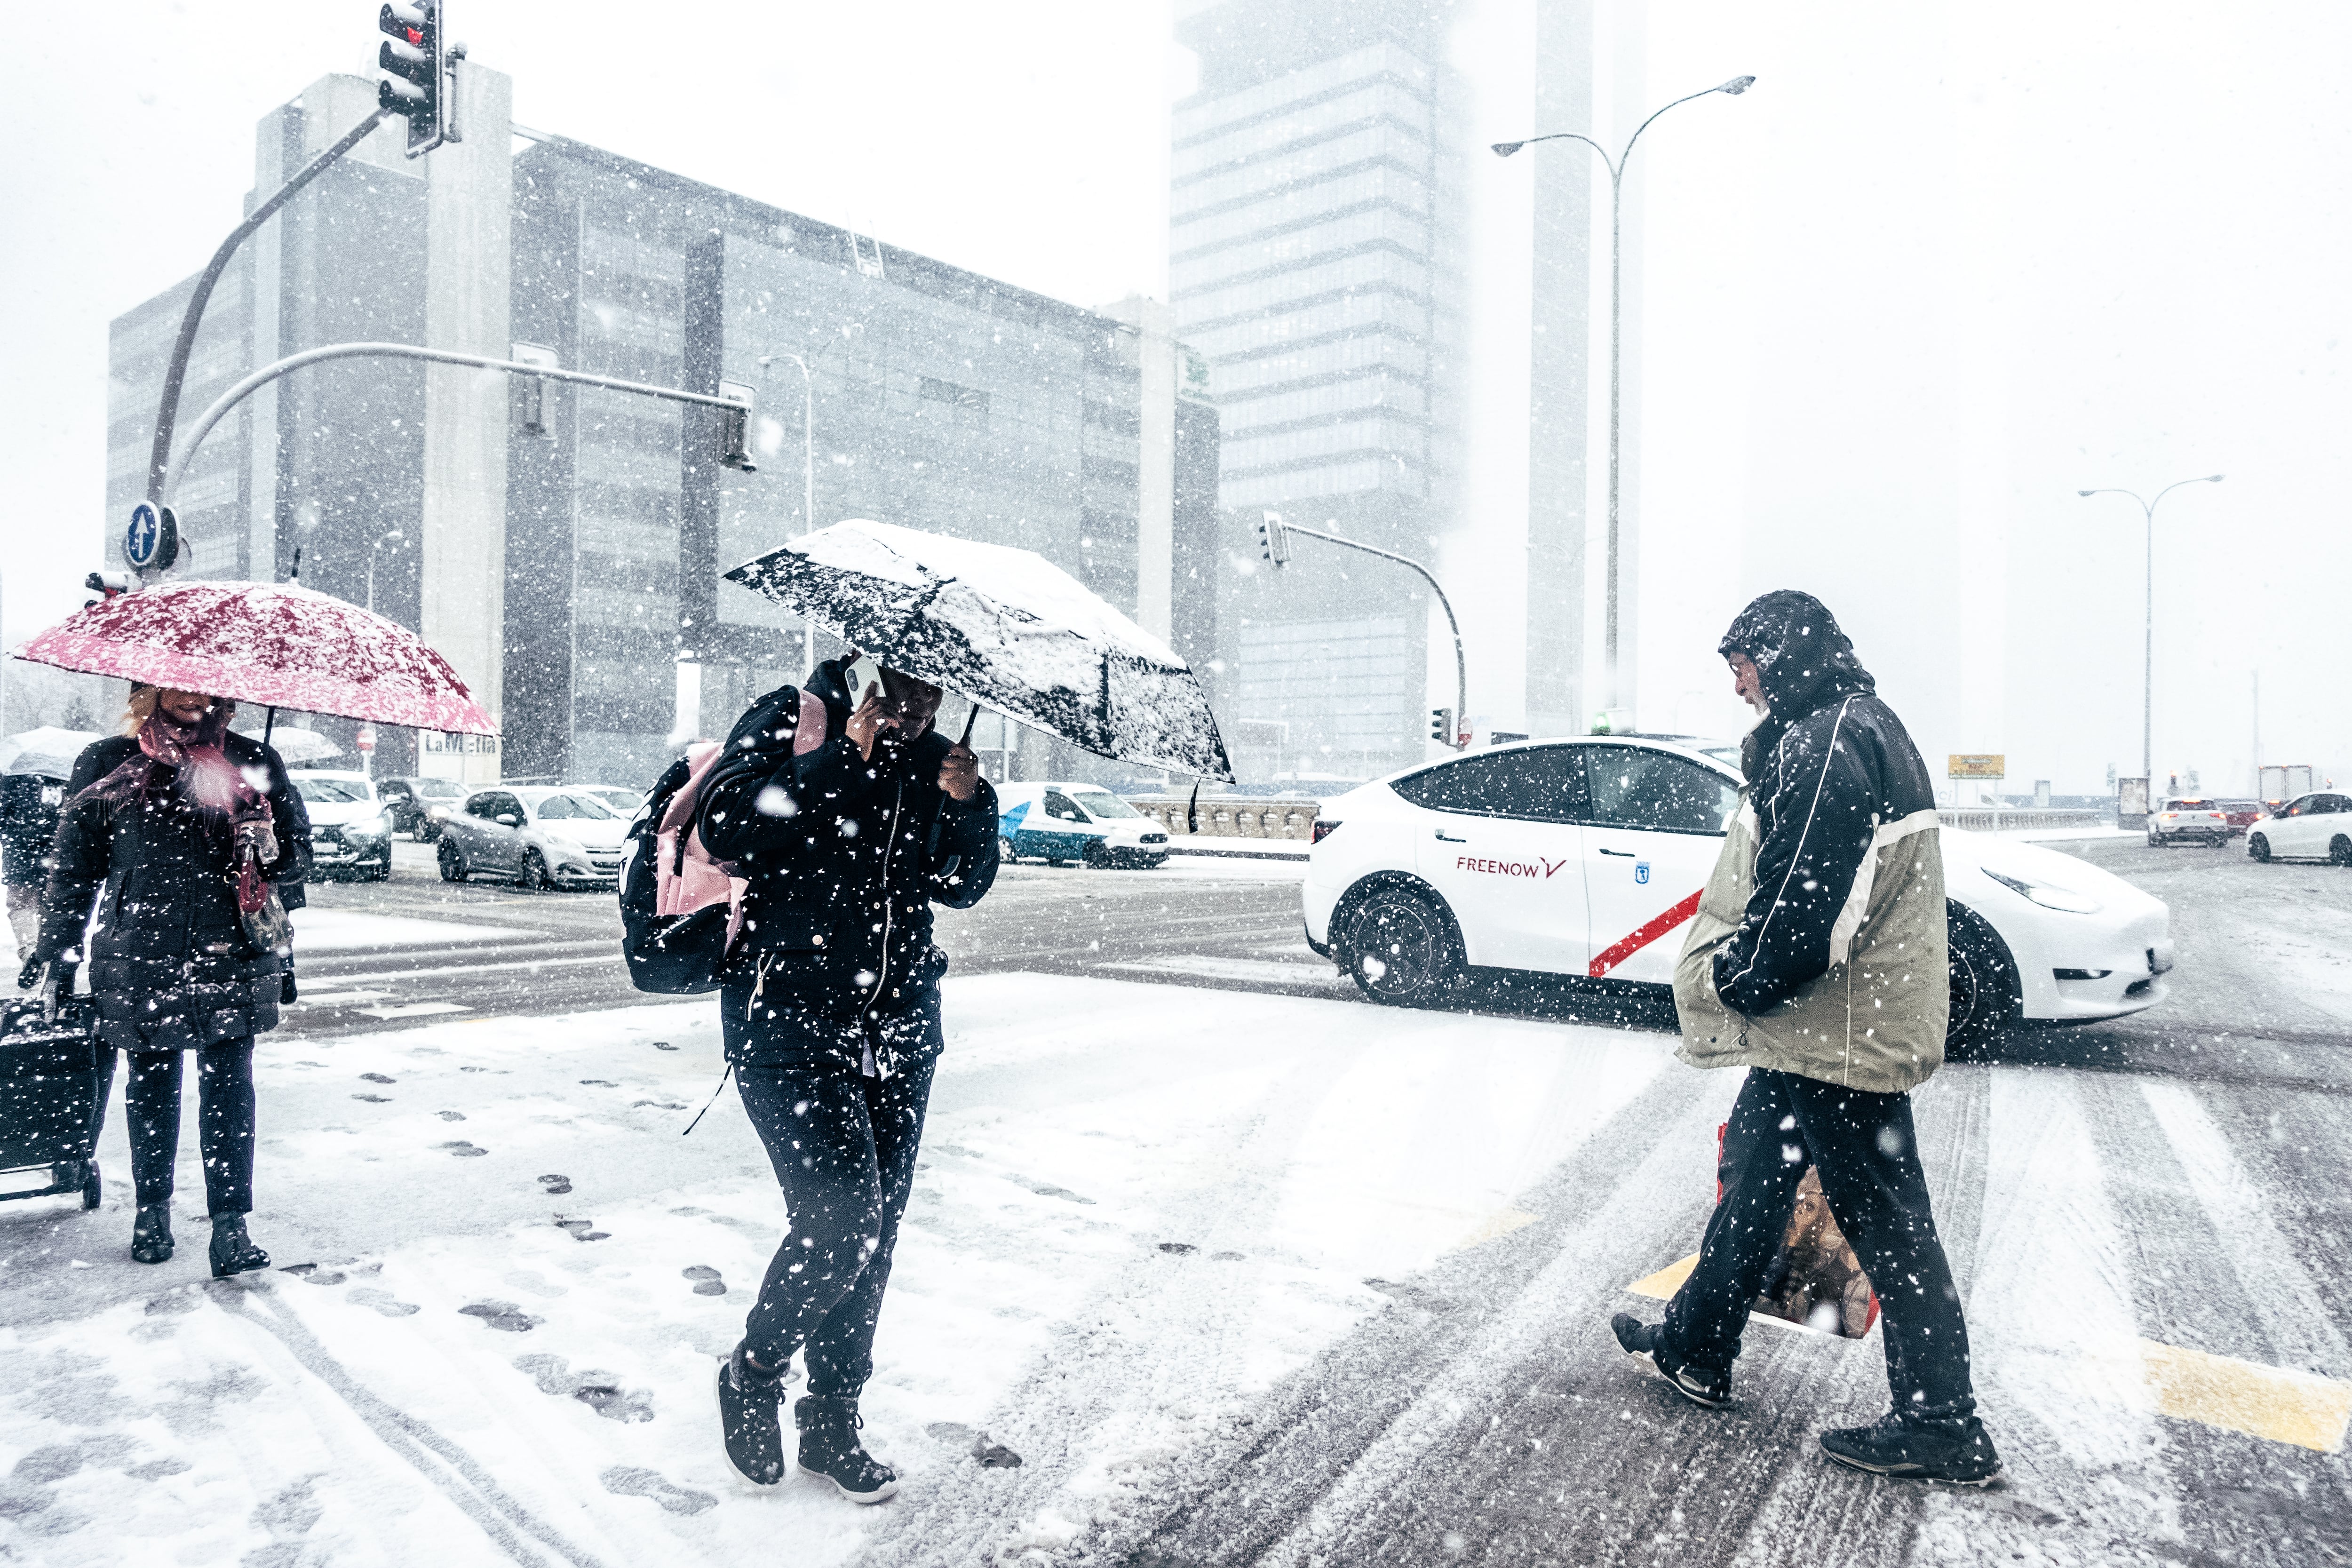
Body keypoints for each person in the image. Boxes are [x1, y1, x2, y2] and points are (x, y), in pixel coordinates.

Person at [1611, 590, 2000, 1485]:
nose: (1739, 682)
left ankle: (1944, 1420)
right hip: (1822, 1031)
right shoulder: (1856, 724)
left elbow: (1807, 901)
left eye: (1743, 661)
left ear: (1781, 653)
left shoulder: (1825, 739)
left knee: (1889, 1224)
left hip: (1839, 1035)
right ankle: (1696, 1346)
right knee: (1754, 1179)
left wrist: (1736, 977)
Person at [695, 655, 999, 1501]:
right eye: (904, 684)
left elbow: (961, 885)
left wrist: (967, 806)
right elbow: (728, 829)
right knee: (842, 1220)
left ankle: (832, 1418)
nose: (916, 704)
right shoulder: (798, 719)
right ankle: (754, 1371)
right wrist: (837, 758)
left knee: (876, 1234)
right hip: (790, 1022)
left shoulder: (941, 760)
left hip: (900, 1028)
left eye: (934, 690)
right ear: (871, 664)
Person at [21, 685, 307, 1277]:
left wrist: (266, 840)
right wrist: (57, 945)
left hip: (232, 947)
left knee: (231, 1089)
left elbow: (297, 861)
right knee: (152, 1086)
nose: (188, 695)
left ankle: (231, 1225)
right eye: (174, 684)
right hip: (139, 948)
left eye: (202, 685)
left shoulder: (254, 758)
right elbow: (75, 865)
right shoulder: (109, 761)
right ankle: (152, 1212)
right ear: (149, 689)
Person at [1, 768, 64, 961]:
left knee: (21, 907)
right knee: (54, 908)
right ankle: (52, 954)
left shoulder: (11, 780)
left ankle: (30, 949)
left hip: (20, 857)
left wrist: (16, 831)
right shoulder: (64, 778)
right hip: (57, 855)